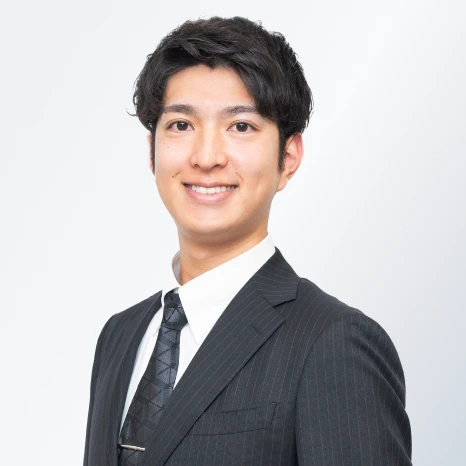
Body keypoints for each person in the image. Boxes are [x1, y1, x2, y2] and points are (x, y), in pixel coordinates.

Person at [84, 16, 412, 466]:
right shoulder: (120, 336)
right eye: (181, 125)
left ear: (288, 158)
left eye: (240, 126)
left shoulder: (333, 343)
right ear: (152, 151)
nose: (206, 158)